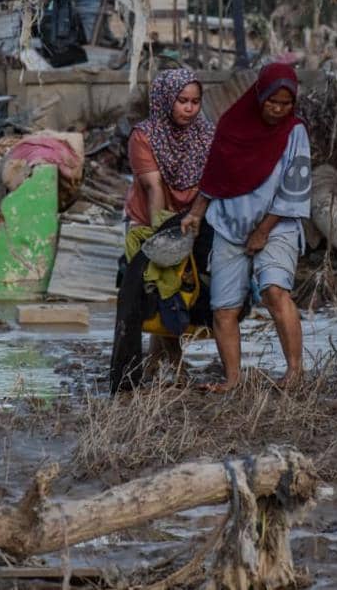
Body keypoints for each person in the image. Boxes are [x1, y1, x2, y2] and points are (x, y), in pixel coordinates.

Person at [182, 63, 311, 392]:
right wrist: (196, 212)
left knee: (274, 291)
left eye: (286, 103)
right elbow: (215, 175)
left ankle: (294, 372)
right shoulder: (231, 125)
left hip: (276, 224)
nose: (278, 109)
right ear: (259, 96)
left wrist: (263, 231)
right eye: (272, 101)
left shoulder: (294, 132)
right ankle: (232, 380)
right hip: (229, 224)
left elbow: (293, 191)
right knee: (223, 309)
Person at [123, 68, 215, 374]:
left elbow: (212, 182)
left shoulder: (206, 134)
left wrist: (195, 217)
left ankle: (155, 362)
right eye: (182, 101)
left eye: (195, 101)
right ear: (165, 100)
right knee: (161, 285)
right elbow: (154, 187)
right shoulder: (144, 135)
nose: (189, 108)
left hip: (195, 216)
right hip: (151, 217)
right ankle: (172, 363)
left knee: (185, 289)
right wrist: (160, 235)